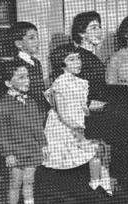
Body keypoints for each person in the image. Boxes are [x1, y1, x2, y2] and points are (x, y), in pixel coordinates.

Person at [44, 47, 112, 195]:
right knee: (94, 149)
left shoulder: (81, 82)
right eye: (71, 59)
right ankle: (94, 186)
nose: (77, 62)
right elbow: (63, 113)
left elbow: (83, 106)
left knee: (102, 146)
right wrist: (79, 128)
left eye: (78, 58)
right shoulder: (60, 83)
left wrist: (94, 113)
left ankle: (102, 184)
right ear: (62, 64)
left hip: (78, 121)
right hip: (63, 127)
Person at [0, 62, 48, 204]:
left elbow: (38, 127)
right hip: (15, 152)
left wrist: (43, 145)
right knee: (15, 183)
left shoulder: (31, 102)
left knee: (29, 181)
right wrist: (8, 154)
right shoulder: (2, 105)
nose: (27, 81)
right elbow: (2, 133)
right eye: (21, 77)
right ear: (8, 83)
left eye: (27, 77)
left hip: (32, 149)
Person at [10, 21, 49, 117]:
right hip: (27, 111)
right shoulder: (17, 65)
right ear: (19, 44)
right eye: (32, 38)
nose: (37, 41)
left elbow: (39, 89)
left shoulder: (36, 62)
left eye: (37, 37)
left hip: (39, 108)